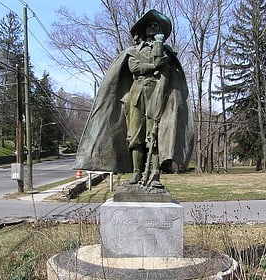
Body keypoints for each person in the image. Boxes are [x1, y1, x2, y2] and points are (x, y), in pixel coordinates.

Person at [74, 9, 193, 189]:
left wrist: (158, 48)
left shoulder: (164, 50)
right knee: (135, 137)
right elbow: (135, 68)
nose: (153, 27)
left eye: (156, 25)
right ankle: (137, 173)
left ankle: (154, 175)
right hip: (136, 95)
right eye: (150, 25)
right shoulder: (132, 52)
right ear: (143, 30)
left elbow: (161, 63)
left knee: (154, 137)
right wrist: (153, 66)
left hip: (158, 95)